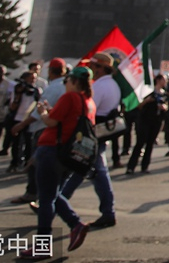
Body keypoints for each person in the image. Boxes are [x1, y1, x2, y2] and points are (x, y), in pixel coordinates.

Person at [22, 65, 95, 260]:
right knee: (53, 194)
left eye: (67, 80)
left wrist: (43, 112)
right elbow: (68, 121)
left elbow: (51, 122)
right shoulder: (88, 102)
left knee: (46, 198)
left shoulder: (69, 97)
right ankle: (75, 224)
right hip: (69, 154)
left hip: (52, 149)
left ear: (74, 81)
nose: (65, 84)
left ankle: (43, 244)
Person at [60, 53, 119, 230]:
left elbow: (89, 109)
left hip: (92, 132)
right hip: (99, 132)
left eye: (94, 66)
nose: (91, 70)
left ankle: (58, 201)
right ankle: (59, 201)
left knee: (88, 169)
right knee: (82, 169)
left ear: (101, 68)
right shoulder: (112, 85)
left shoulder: (100, 86)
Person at [12, 58, 68, 206]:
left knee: (36, 163)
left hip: (44, 128)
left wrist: (21, 125)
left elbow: (39, 111)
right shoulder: (64, 86)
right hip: (57, 130)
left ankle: (34, 194)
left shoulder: (53, 88)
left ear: (50, 71)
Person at [126, 73, 168, 174]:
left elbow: (167, 105)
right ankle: (131, 166)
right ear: (158, 80)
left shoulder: (164, 94)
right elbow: (139, 106)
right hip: (145, 120)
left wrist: (164, 107)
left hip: (157, 120)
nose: (165, 82)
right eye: (163, 79)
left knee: (150, 144)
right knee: (140, 142)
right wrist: (147, 101)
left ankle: (145, 166)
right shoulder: (148, 92)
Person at [8, 70, 41, 172]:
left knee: (28, 142)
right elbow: (12, 107)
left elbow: (38, 103)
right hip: (18, 118)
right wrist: (19, 94)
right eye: (31, 78)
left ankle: (27, 162)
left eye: (34, 79)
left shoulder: (36, 90)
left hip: (29, 119)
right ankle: (15, 162)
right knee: (16, 143)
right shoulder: (17, 89)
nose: (33, 81)